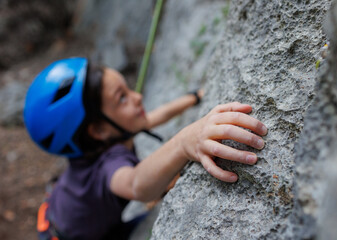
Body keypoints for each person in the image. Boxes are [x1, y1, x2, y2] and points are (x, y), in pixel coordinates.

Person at [24, 57, 267, 240]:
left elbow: (152, 118)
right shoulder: (108, 166)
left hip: (70, 218)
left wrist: (194, 97)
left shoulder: (112, 133)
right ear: (98, 130)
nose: (137, 97)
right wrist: (185, 142)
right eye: (122, 97)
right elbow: (135, 184)